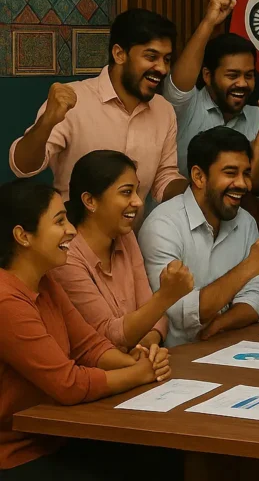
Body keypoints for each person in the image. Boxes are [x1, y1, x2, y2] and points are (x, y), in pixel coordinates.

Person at [0, 179, 170, 477]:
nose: (72, 230)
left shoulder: (46, 280)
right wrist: (140, 374)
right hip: (18, 453)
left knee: (161, 460)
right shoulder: (6, 300)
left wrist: (136, 360)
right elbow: (68, 384)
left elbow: (88, 345)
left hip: (60, 437)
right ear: (22, 236)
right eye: (59, 221)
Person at [9, 9, 188, 218]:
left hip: (130, 243)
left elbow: (165, 178)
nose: (162, 69)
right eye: (151, 57)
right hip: (72, 240)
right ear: (119, 54)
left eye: (166, 59)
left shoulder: (164, 110)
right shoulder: (73, 99)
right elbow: (22, 167)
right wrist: (48, 121)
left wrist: (200, 188)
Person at [139, 127, 259, 347]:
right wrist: (249, 266)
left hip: (228, 347)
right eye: (231, 173)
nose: (243, 184)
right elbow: (181, 313)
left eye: (246, 173)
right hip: (173, 360)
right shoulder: (163, 226)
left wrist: (219, 326)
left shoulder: (246, 221)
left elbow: (256, 298)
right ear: (199, 176)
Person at [48, 151, 195, 352]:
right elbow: (108, 335)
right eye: (126, 192)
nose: (138, 202)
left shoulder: (125, 235)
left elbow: (156, 319)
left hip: (135, 364)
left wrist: (145, 347)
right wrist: (166, 296)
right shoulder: (67, 254)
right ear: (90, 201)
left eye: (137, 191)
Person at [164, 0, 259, 200]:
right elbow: (177, 87)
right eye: (233, 75)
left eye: (249, 75)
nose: (242, 83)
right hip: (176, 221)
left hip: (229, 223)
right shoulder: (187, 105)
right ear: (207, 76)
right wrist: (209, 22)